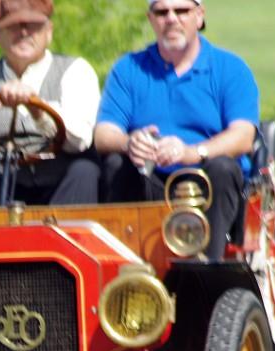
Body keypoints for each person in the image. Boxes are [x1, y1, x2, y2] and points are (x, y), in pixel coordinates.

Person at [94, 0, 259, 260]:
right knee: (115, 164)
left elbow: (243, 136)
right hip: (149, 176)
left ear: (200, 16)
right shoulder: (128, 69)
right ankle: (126, 271)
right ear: (151, 19)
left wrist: (192, 152)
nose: (171, 19)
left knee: (224, 169)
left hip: (206, 178)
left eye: (181, 11)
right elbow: (103, 133)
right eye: (162, 12)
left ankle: (207, 273)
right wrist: (130, 143)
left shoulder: (230, 69)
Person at [0, 0, 101, 207]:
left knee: (85, 172)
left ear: (48, 31)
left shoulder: (75, 71)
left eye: (33, 26)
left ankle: (64, 239)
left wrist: (37, 108)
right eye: (14, 26)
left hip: (58, 190)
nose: (24, 33)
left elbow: (80, 140)